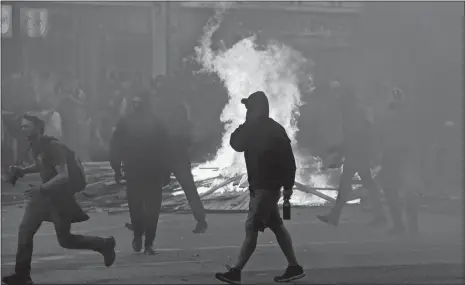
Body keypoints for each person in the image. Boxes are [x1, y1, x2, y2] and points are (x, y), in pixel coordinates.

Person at [2, 114, 116, 285]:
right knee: (25, 231)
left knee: (65, 240)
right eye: (22, 126)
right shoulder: (37, 145)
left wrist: (41, 188)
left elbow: (63, 175)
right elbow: (43, 165)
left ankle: (104, 244)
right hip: (43, 197)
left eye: (26, 126)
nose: (23, 129)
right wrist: (23, 170)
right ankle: (22, 275)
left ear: (38, 128)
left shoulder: (53, 146)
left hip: (58, 198)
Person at [215, 91, 305, 284]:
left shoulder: (266, 130)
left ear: (257, 109)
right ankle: (294, 267)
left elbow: (288, 161)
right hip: (263, 186)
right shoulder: (263, 128)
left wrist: (288, 186)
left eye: (249, 108)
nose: (247, 111)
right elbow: (236, 144)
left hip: (265, 187)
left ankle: (236, 271)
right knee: (277, 226)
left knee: (251, 228)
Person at [110, 91, 171, 255]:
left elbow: (165, 148)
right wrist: (116, 167)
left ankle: (148, 241)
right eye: (134, 102)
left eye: (139, 103)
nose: (136, 106)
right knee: (138, 207)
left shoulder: (153, 123)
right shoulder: (152, 123)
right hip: (137, 172)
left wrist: (166, 171)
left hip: (149, 172)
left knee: (150, 209)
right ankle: (140, 236)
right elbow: (116, 146)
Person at [317, 81, 386, 227]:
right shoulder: (353, 113)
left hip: (357, 154)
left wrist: (338, 151)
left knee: (354, 184)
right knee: (362, 184)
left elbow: (355, 136)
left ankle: (336, 216)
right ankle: (379, 215)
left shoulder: (353, 114)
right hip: (356, 153)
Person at [153, 75, 208, 233]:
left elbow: (180, 130)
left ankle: (201, 220)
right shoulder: (166, 108)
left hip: (173, 153)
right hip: (169, 153)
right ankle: (142, 224)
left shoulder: (173, 109)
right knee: (155, 190)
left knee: (185, 187)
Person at [377, 88, 422, 236]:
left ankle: (401, 225)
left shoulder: (387, 118)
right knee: (408, 191)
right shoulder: (411, 117)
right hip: (405, 155)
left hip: (396, 156)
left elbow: (381, 139)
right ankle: (411, 226)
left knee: (393, 191)